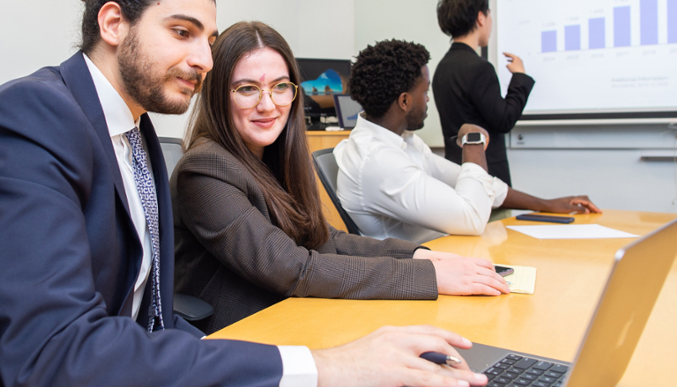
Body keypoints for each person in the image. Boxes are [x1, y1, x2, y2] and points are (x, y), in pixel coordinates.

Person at [0, 0, 489, 387]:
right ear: (114, 23)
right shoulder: (28, 120)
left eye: (208, 40)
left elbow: (143, 322)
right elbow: (56, 355)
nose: (205, 60)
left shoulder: (136, 133)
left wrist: (321, 360)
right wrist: (325, 368)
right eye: (182, 33)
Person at [172, 21, 510, 335]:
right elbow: (292, 269)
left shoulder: (272, 156)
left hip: (295, 314)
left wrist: (421, 256)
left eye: (280, 87)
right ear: (218, 95)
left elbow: (325, 238)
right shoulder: (205, 169)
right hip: (243, 335)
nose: (268, 105)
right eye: (247, 88)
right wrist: (430, 277)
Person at [334, 39, 600, 241]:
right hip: (410, 282)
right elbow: (471, 218)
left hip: (442, 259)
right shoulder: (378, 161)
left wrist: (546, 204)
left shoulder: (402, 141)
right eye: (425, 92)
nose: (428, 100)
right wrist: (473, 141)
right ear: (404, 101)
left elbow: (475, 182)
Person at [432, 0, 531, 186]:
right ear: (480, 18)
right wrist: (519, 77)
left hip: (455, 175)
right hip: (485, 177)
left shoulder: (441, 68)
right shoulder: (479, 68)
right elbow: (504, 120)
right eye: (489, 15)